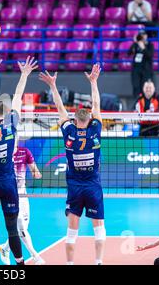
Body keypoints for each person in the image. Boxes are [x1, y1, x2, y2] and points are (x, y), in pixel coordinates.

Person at [39, 63, 106, 265]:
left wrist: (53, 85)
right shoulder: (95, 130)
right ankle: (98, 262)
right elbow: (96, 105)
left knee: (71, 231)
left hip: (75, 188)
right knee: (99, 228)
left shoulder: (69, 131)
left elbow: (60, 109)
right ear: (90, 120)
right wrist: (94, 82)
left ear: (75, 120)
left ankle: (69, 264)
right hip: (93, 186)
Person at [0, 52, 38, 266]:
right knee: (12, 228)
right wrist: (24, 75)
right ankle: (20, 264)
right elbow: (18, 97)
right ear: (8, 113)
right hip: (7, 183)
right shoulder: (11, 124)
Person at [0, 140, 45, 265]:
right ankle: (35, 256)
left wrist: (36, 173)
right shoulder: (3, 154)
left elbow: (34, 169)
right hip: (10, 196)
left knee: (23, 228)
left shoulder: (25, 152)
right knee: (22, 228)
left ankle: (5, 248)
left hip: (23, 195)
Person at [128, 30, 154, 98]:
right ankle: (136, 102)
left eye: (144, 35)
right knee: (136, 87)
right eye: (141, 35)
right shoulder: (136, 45)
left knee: (145, 87)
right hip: (136, 69)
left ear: (146, 36)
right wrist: (134, 42)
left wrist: (143, 48)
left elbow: (150, 55)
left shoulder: (150, 45)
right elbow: (129, 53)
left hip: (146, 70)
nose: (142, 37)